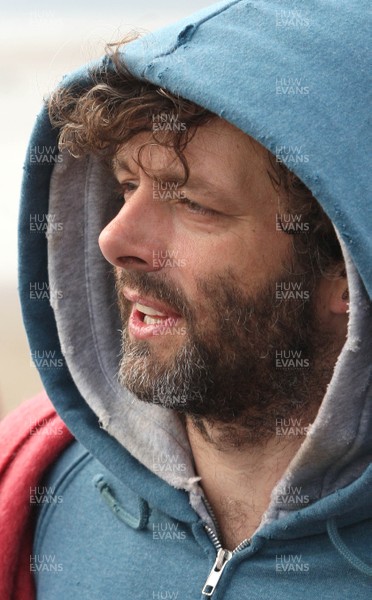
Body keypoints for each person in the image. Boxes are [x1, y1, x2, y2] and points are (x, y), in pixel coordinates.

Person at [1, 1, 371, 598]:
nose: (114, 239)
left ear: (340, 271)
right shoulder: (35, 487)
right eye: (126, 186)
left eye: (193, 203)